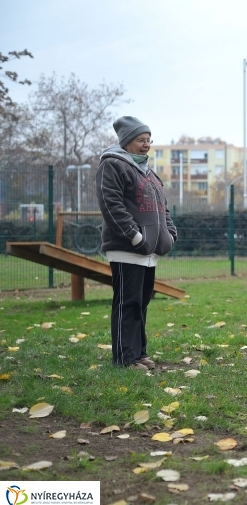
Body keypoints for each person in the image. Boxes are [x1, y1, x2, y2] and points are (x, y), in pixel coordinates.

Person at [96, 116, 177, 371]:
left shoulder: (148, 172)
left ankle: (139, 353)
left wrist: (169, 235)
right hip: (127, 249)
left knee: (141, 304)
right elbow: (112, 205)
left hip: (149, 252)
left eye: (148, 140)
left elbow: (163, 209)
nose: (146, 145)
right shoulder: (112, 165)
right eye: (141, 140)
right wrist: (135, 236)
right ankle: (124, 358)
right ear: (127, 142)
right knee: (127, 303)